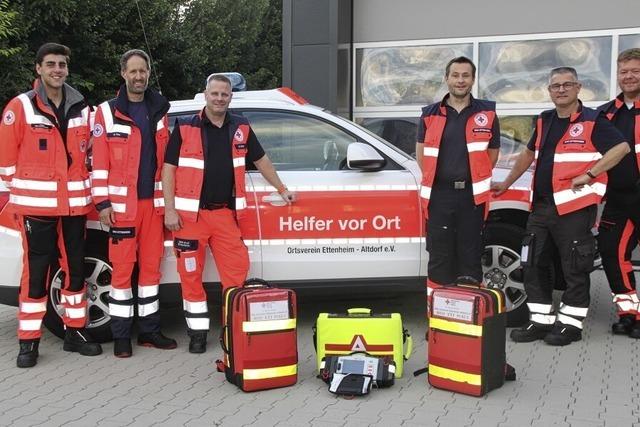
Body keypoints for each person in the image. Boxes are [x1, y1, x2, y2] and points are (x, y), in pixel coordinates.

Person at [492, 67, 630, 346]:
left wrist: (590, 174)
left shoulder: (593, 120)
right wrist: (506, 182)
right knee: (533, 263)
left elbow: (621, 148)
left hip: (574, 209)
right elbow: (529, 154)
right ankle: (540, 320)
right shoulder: (544, 121)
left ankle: (570, 324)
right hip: (541, 208)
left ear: (578, 88)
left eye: (567, 85)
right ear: (550, 91)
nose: (561, 90)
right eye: (556, 86)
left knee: (574, 268)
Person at [162, 73, 295, 353]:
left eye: (224, 94)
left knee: (236, 274)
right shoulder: (185, 127)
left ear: (230, 97)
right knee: (190, 276)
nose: (219, 98)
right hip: (189, 218)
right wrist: (170, 209)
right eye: (215, 94)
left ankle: (230, 329)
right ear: (206, 94)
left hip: (224, 215)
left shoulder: (241, 127)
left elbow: (261, 160)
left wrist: (281, 188)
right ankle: (197, 334)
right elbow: (169, 169)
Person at [0, 43, 102, 367]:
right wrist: (16, 195)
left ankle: (76, 332)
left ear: (67, 69)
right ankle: (28, 343)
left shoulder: (82, 107)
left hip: (74, 207)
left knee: (74, 271)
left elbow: (89, 154)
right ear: (38, 69)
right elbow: (5, 160)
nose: (57, 69)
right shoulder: (21, 107)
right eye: (50, 64)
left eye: (62, 64)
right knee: (36, 275)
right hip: (36, 208)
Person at [91, 49, 177, 358]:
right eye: (133, 71)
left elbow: (166, 160)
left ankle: (150, 332)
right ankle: (122, 336)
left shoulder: (159, 110)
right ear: (123, 74)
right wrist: (102, 204)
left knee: (152, 272)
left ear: (148, 73)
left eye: (143, 71)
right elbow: (98, 164)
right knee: (122, 274)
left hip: (152, 208)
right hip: (121, 210)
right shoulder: (106, 113)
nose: (139, 76)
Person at [415, 56, 500, 302]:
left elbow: (491, 154)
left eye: (465, 75)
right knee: (440, 258)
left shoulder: (488, 112)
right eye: (455, 75)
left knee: (470, 258)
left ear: (473, 79)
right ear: (447, 78)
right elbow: (422, 154)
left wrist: (474, 175)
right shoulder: (429, 114)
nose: (460, 80)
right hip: (439, 196)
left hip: (472, 197)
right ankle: (437, 321)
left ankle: (468, 326)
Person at [597, 48, 640, 338]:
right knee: (613, 254)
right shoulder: (605, 113)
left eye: (635, 71)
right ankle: (630, 313)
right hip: (619, 198)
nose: (629, 76)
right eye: (624, 71)